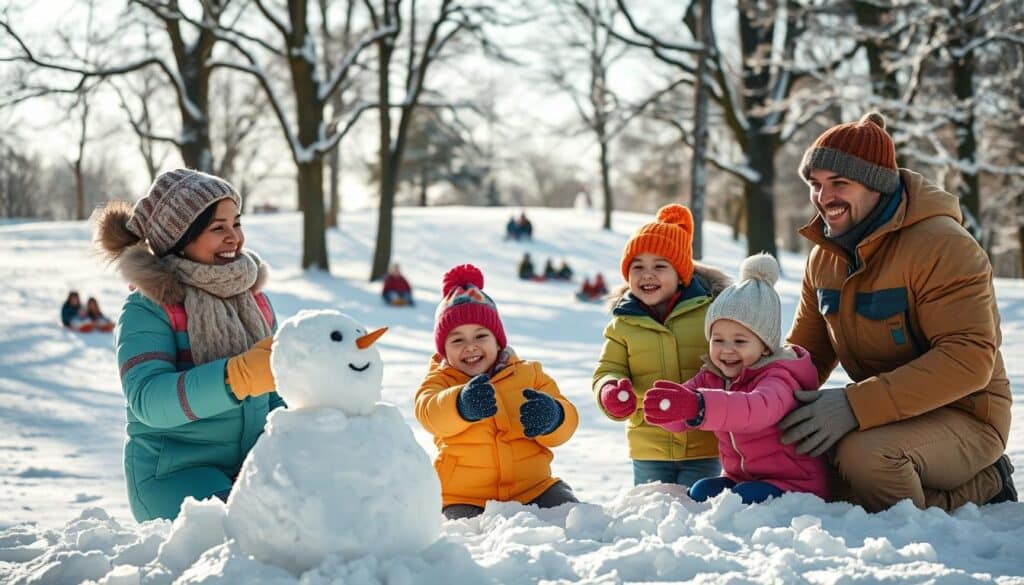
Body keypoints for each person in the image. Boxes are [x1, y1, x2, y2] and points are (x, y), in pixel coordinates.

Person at [778, 112, 1016, 512]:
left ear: (877, 185)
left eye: (840, 183)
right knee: (796, 459)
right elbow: (807, 352)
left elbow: (969, 359)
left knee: (865, 458)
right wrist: (758, 394)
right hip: (887, 413)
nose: (824, 197)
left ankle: (988, 483)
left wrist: (854, 405)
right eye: (816, 185)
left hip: (967, 416)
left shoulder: (942, 246)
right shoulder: (824, 258)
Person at [94, 168, 284, 522]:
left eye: (236, 224)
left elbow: (276, 393)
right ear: (180, 238)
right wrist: (236, 378)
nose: (234, 238)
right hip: (176, 474)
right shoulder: (149, 307)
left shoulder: (253, 300)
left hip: (251, 465)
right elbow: (148, 399)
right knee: (252, 531)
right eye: (217, 228)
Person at [643, 254, 828, 504]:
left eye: (739, 341)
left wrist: (698, 405)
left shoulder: (780, 377)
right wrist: (667, 409)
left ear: (764, 346)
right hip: (741, 477)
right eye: (718, 340)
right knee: (700, 491)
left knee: (743, 498)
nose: (727, 349)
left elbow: (756, 409)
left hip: (793, 483)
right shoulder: (712, 375)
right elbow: (685, 410)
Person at [415, 264, 580, 519]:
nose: (470, 347)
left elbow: (568, 420)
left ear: (498, 340)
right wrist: (460, 405)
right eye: (457, 340)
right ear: (443, 350)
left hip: (534, 488)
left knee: (573, 515)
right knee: (463, 534)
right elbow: (428, 412)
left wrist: (554, 417)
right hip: (464, 496)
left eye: (481, 336)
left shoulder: (529, 374)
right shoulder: (441, 381)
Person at [593, 204, 731, 487]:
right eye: (637, 266)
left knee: (700, 510)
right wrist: (610, 390)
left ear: (682, 273)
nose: (647, 274)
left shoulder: (711, 313)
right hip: (649, 444)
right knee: (653, 512)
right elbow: (608, 369)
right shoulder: (623, 324)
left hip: (704, 442)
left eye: (659, 266)